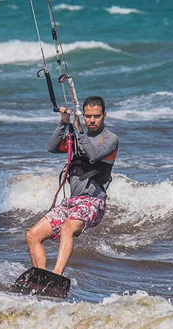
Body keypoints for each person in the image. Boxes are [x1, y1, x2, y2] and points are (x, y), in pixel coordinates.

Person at [25, 96, 119, 276]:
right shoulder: (77, 138)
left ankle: (57, 275)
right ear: (83, 115)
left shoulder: (110, 139)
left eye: (96, 116)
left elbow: (93, 155)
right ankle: (41, 277)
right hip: (72, 202)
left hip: (93, 202)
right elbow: (52, 147)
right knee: (32, 235)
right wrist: (63, 123)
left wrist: (79, 131)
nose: (92, 120)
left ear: (104, 116)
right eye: (88, 116)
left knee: (67, 227)